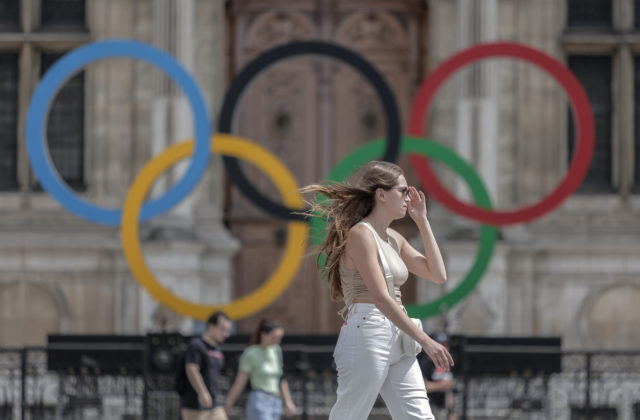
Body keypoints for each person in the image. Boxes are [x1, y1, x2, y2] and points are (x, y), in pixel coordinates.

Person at [302, 161, 454, 420]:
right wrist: (425, 340)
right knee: (350, 415)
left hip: (398, 333)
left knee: (420, 417)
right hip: (368, 330)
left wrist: (423, 221)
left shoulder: (394, 238)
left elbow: (438, 275)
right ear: (381, 194)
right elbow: (380, 297)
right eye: (403, 191)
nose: (409, 197)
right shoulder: (360, 235)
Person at [224, 319, 296, 419]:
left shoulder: (276, 350)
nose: (277, 341)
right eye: (274, 337)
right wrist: (228, 404)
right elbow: (240, 382)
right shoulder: (251, 353)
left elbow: (281, 378)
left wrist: (288, 401)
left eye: (279, 338)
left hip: (276, 402)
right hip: (259, 400)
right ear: (263, 335)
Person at [181, 311, 232, 420]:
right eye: (222, 329)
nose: (225, 334)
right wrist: (202, 392)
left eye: (227, 330)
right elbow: (191, 369)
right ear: (211, 326)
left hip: (214, 404)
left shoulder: (217, 349)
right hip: (195, 405)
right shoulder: (196, 345)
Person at [420, 333, 457, 420]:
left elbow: (449, 391)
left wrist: (451, 411)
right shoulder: (425, 364)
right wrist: (443, 385)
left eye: (445, 344)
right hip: (429, 406)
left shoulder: (450, 364)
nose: (443, 347)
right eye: (441, 344)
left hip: (444, 408)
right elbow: (423, 387)